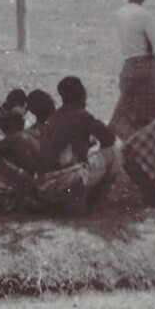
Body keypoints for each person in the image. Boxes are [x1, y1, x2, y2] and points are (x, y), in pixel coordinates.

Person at [34, 76, 119, 213]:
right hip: (69, 181)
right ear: (82, 94)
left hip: (44, 187)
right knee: (114, 152)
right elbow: (109, 139)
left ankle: (74, 203)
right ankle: (97, 204)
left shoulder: (52, 118)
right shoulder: (82, 115)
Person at [108, 0, 155, 140]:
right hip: (146, 67)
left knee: (127, 111)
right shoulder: (145, 15)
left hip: (128, 65)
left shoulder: (121, 13)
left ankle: (128, 141)